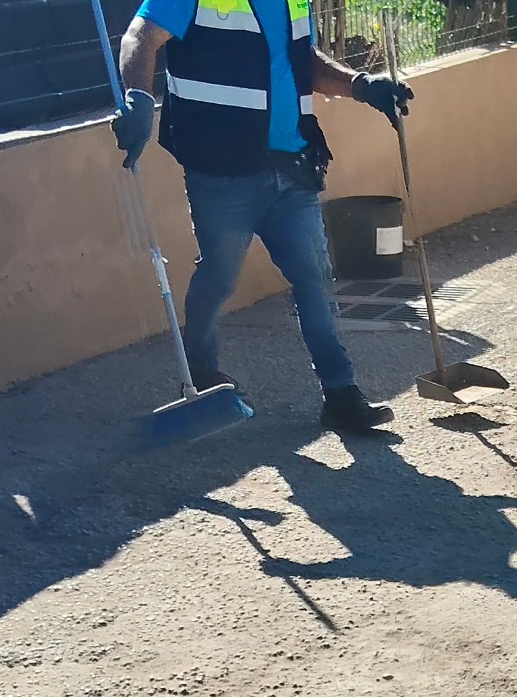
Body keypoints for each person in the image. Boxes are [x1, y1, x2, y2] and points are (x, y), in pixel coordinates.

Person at [111, 0, 413, 434]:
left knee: (315, 278)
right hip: (221, 171)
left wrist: (361, 86)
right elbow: (140, 37)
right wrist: (139, 97)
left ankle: (341, 393)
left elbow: (299, 59)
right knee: (219, 274)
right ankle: (202, 375)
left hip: (293, 164)